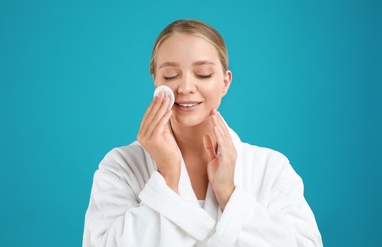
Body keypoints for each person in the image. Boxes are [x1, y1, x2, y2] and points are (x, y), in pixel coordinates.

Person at [83, 19, 323, 246]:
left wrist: (230, 195)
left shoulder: (270, 169)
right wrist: (167, 176)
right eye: (170, 76)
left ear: (225, 82)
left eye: (204, 74)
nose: (186, 88)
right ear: (156, 81)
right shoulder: (121, 167)